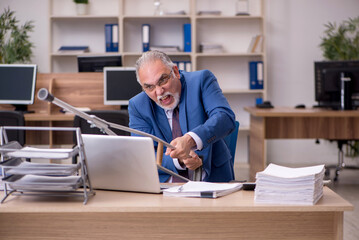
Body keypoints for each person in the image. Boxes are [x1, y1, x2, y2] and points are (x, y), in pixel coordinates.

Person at [128, 50, 236, 183]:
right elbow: (142, 154)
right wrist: (178, 159)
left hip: (212, 181)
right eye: (149, 87)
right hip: (165, 188)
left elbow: (225, 117)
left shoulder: (201, 80)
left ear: (175, 72)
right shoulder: (138, 105)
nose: (159, 91)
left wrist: (190, 140)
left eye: (162, 80)